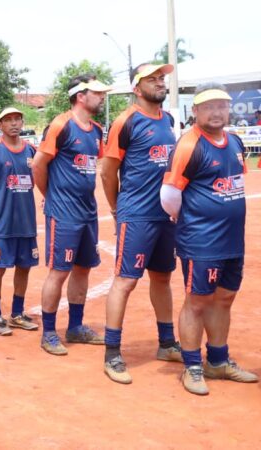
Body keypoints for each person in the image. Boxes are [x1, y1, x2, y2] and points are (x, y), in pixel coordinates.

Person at [161, 82, 258, 395]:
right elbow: (169, 195)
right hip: (201, 241)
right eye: (209, 106)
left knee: (225, 298)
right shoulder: (189, 145)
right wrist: (190, 220)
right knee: (197, 302)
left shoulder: (234, 142)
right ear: (195, 111)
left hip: (232, 240)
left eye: (222, 105)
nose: (217, 112)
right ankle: (192, 366)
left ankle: (218, 362)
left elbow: (234, 181)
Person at [100, 63, 183, 384]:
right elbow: (108, 172)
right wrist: (117, 208)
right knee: (125, 281)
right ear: (137, 89)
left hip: (165, 216)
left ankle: (166, 343)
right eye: (153, 79)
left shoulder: (169, 120)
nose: (161, 83)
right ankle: (112, 353)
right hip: (136, 215)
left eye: (162, 78)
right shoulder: (126, 121)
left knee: (162, 278)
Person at [32, 74, 110, 355]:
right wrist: (50, 196)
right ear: (80, 96)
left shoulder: (97, 130)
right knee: (59, 271)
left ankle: (75, 327)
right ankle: (49, 332)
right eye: (97, 93)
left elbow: (98, 166)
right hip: (63, 212)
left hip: (87, 211)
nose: (102, 97)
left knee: (83, 268)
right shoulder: (61, 125)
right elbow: (39, 165)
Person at [0, 107, 40, 336]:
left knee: (24, 267)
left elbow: (41, 179)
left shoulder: (32, 150)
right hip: (2, 223)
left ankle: (17, 313)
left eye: (17, 119)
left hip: (26, 222)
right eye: (8, 120)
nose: (13, 123)